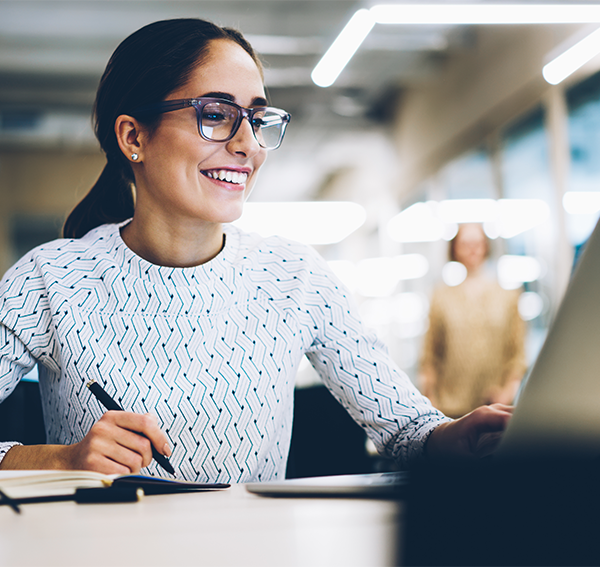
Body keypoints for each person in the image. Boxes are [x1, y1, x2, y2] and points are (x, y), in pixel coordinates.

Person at [0, 18, 511, 482]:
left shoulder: (295, 277)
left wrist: (459, 437)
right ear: (134, 136)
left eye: (258, 119)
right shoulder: (51, 280)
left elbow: (407, 430)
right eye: (217, 114)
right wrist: (59, 460)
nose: (249, 144)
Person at [420, 223, 527, 418]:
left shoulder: (508, 297)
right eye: (465, 243)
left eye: (477, 242)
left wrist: (506, 393)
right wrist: (431, 402)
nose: (472, 248)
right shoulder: (440, 297)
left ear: (486, 246)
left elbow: (517, 356)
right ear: (454, 248)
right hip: (450, 409)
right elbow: (430, 357)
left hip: (495, 408)